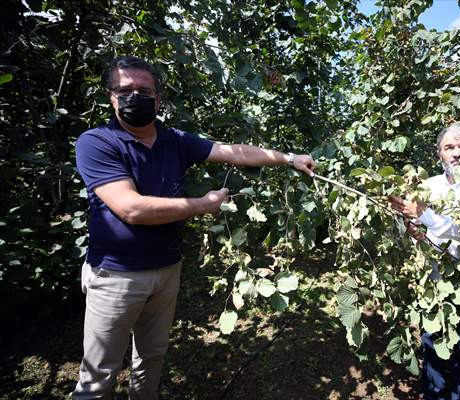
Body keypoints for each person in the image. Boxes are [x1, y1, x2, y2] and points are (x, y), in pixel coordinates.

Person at [73, 55, 316, 399]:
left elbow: (236, 153)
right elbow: (132, 209)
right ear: (111, 96)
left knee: (152, 357)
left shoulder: (174, 139)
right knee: (99, 374)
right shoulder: (97, 143)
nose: (135, 96)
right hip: (116, 275)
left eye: (144, 90)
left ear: (158, 98)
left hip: (167, 269)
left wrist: (289, 159)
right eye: (125, 90)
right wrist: (206, 204)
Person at [388, 122, 460, 400]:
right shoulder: (429, 186)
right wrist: (413, 229)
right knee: (435, 355)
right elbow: (421, 234)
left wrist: (424, 216)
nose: (457, 153)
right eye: (449, 147)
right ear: (439, 155)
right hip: (437, 290)